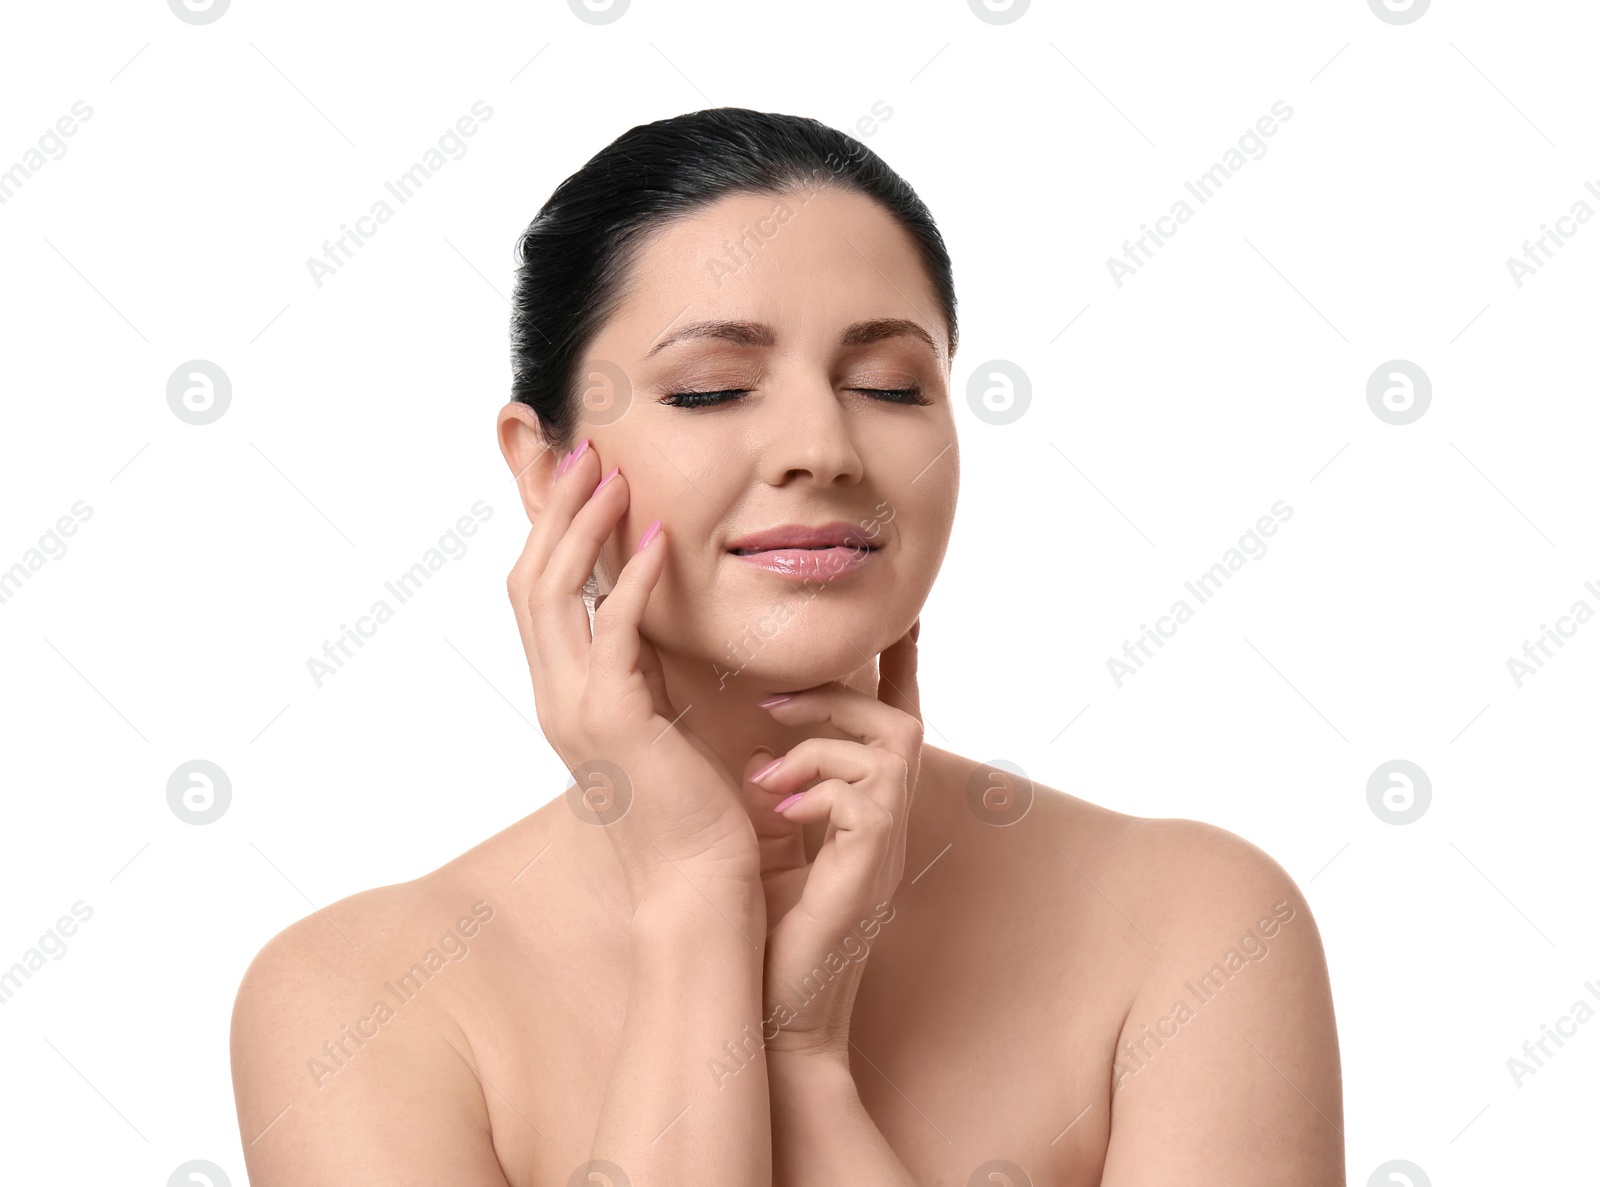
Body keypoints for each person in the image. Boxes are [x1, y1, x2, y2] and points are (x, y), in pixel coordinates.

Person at [230, 106, 1343, 1186]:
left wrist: (802, 1065)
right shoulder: (357, 998)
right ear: (543, 466)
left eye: (886, 386)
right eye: (711, 388)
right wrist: (694, 895)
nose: (822, 445)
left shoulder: (1196, 925)